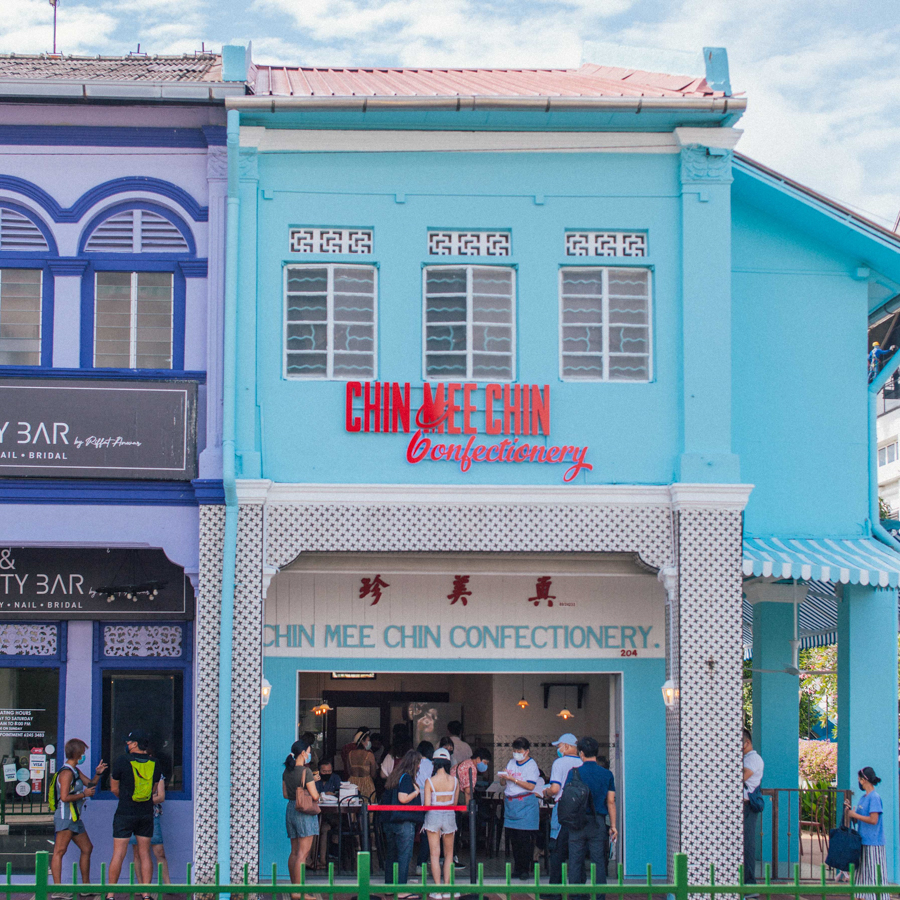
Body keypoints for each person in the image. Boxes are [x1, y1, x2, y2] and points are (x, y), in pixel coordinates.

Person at [107, 729, 164, 900]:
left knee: (119, 853)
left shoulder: (122, 761)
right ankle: (146, 894)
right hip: (146, 813)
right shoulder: (155, 763)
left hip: (125, 812)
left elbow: (113, 788)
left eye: (129, 742)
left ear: (136, 744)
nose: (127, 744)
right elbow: (153, 790)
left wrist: (126, 798)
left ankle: (110, 894)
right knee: (145, 853)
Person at [49, 738, 108, 891]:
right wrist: (83, 794)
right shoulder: (66, 773)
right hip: (66, 817)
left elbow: (90, 784)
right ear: (76, 753)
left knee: (87, 848)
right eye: (82, 752)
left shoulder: (75, 770)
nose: (84, 755)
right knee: (59, 851)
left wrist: (98, 774)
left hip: (75, 818)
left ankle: (85, 886)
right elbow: (64, 797)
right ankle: (58, 889)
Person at [564, 736, 616, 900]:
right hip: (598, 822)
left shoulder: (574, 773)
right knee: (598, 861)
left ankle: (576, 896)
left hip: (577, 823)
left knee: (575, 861)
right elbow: (611, 802)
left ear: (581, 753)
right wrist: (613, 826)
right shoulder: (607, 774)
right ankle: (599, 896)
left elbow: (567, 798)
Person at [543, 733, 582, 899]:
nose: (558, 750)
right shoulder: (582, 763)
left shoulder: (559, 763)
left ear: (566, 746)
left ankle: (554, 891)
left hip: (562, 809)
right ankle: (578, 890)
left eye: (559, 746)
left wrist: (546, 792)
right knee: (577, 849)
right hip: (580, 811)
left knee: (557, 849)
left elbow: (555, 789)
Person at [381, 749, 423, 897]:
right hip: (403, 821)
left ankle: (388, 886)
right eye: (418, 763)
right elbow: (403, 798)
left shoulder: (395, 776)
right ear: (414, 763)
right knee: (404, 855)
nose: (419, 767)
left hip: (390, 821)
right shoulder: (406, 778)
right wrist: (416, 792)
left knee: (391, 855)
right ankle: (401, 890)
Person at [498, 737, 541, 880]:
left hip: (525, 805)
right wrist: (504, 777)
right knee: (514, 839)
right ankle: (517, 868)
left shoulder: (531, 765)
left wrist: (513, 779)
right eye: (514, 751)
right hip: (511, 805)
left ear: (527, 751)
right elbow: (503, 782)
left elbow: (531, 786)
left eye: (519, 751)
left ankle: (524, 869)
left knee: (524, 839)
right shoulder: (511, 762)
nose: (516, 753)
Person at [283, 738, 319, 897]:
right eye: (309, 752)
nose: (309, 755)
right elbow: (315, 796)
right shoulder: (306, 772)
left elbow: (285, 794)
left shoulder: (287, 771)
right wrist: (313, 782)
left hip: (291, 809)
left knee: (294, 852)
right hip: (304, 812)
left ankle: (294, 888)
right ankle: (298, 893)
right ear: (303, 753)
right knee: (303, 854)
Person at [845, 766, 885, 900]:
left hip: (873, 843)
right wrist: (851, 813)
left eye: (859, 779)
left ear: (864, 780)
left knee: (873, 876)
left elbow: (874, 820)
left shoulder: (874, 797)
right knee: (861, 876)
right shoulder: (863, 798)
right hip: (862, 842)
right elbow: (859, 821)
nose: (858, 782)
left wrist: (855, 814)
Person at [424, 748, 460, 898]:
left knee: (434, 854)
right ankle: (448, 888)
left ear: (434, 762)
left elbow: (427, 804)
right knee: (449, 854)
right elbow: (455, 803)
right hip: (449, 816)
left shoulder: (430, 781)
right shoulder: (455, 781)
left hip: (433, 816)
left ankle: (438, 890)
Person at [128, 773, 169, 884]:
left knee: (159, 852)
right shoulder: (131, 772)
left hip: (152, 817)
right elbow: (129, 796)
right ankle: (142, 886)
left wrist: (142, 800)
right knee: (137, 853)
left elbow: (161, 797)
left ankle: (168, 885)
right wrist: (150, 799)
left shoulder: (157, 774)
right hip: (134, 816)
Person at [742, 728, 764, 889]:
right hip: (744, 806)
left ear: (747, 743)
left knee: (747, 844)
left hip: (747, 806)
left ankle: (749, 884)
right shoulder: (747, 758)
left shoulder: (752, 759)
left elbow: (741, 777)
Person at [416, 741, 435, 872]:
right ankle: (421, 865)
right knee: (426, 833)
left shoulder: (414, 763)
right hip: (429, 801)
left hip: (413, 799)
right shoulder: (431, 765)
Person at [347, 729, 378, 801]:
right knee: (367, 806)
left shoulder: (350, 754)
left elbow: (349, 771)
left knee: (351, 807)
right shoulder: (370, 755)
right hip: (367, 784)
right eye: (368, 740)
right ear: (362, 741)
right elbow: (373, 774)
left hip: (352, 783)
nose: (369, 742)